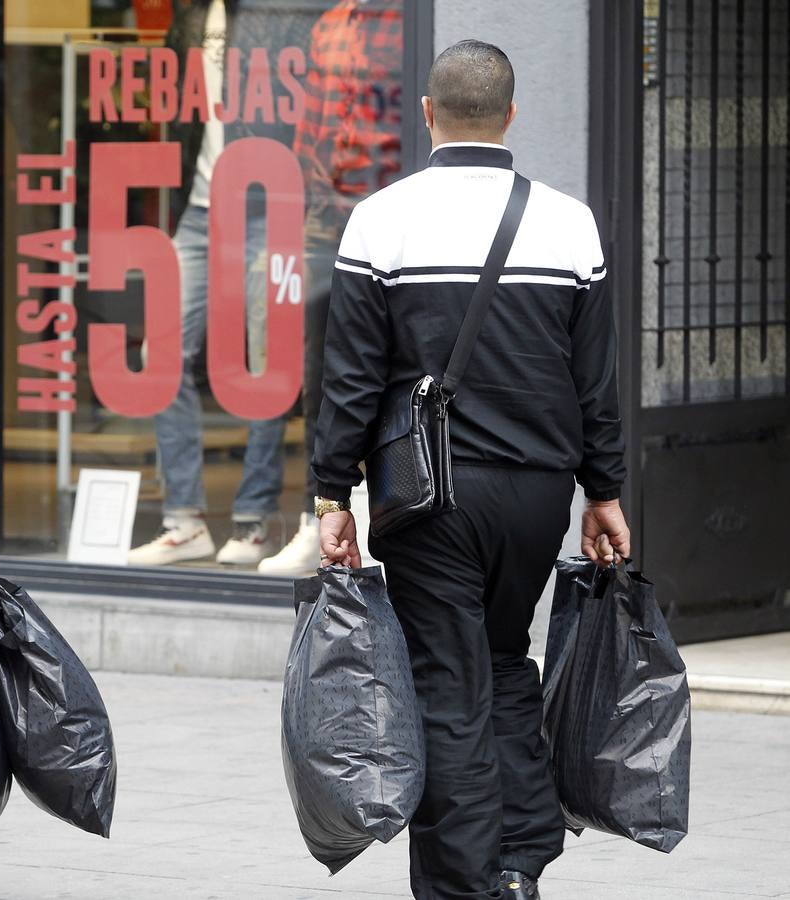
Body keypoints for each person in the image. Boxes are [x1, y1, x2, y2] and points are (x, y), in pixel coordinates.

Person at [312, 41, 631, 899]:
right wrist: (604, 491)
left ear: (427, 113)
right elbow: (594, 379)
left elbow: (349, 375)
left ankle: (465, 884)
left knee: (447, 681)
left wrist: (330, 492)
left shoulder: (381, 220)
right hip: (537, 495)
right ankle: (522, 860)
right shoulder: (571, 223)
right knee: (502, 658)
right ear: (512, 117)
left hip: (429, 495)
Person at [128, 0, 316, 568]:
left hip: (268, 202)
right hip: (200, 207)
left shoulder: (278, 14)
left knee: (265, 361)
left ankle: (253, 519)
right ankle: (184, 520)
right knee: (160, 353)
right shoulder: (190, 15)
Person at [260, 0, 404, 575]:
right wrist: (305, 219)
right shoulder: (334, 22)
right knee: (321, 377)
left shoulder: (401, 22)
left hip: (394, 217)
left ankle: (394, 517)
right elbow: (313, 133)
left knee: (403, 374)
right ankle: (320, 514)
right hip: (329, 219)